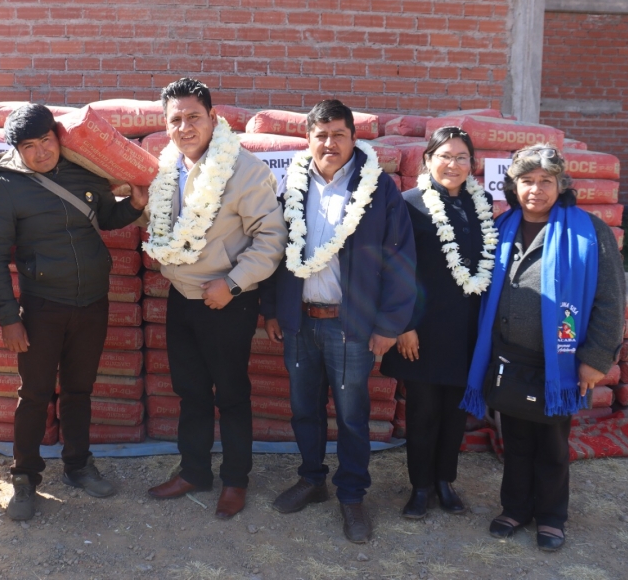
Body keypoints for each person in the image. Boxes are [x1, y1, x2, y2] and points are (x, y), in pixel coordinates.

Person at [0, 104, 148, 521]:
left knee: (79, 391)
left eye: (45, 142)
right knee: (34, 396)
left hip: (92, 303)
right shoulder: (6, 189)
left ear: (58, 138)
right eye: (29, 147)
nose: (40, 153)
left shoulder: (85, 172)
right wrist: (9, 319)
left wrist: (131, 207)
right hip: (41, 309)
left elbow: (106, 218)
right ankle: (24, 477)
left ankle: (77, 465)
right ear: (18, 151)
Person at [261, 99, 416, 544]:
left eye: (338, 134)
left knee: (351, 416)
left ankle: (352, 496)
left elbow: (401, 257)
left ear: (353, 137)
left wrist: (389, 324)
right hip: (299, 322)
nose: (329, 143)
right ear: (308, 139)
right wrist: (272, 309)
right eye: (321, 135)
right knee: (304, 409)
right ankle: (312, 480)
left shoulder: (378, 189)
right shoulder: (291, 185)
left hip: (351, 327)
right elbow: (272, 251)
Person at [460, 144, 625, 552]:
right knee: (514, 437)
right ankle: (515, 508)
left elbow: (611, 299)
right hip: (509, 357)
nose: (536, 190)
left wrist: (595, 358)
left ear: (560, 185)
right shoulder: (501, 227)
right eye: (527, 181)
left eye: (545, 182)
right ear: (513, 186)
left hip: (560, 363)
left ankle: (551, 516)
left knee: (551, 443)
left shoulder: (589, 231)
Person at [144, 78, 287, 519]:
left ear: (213, 118)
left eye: (193, 117)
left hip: (228, 300)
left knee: (231, 393)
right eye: (175, 119)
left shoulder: (244, 169)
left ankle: (236, 480)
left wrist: (234, 283)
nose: (184, 127)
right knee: (190, 391)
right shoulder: (167, 168)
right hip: (181, 297)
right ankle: (194, 472)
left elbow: (271, 239)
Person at [380, 127, 498, 519]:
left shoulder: (481, 207)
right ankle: (420, 487)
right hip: (422, 330)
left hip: (466, 331)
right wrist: (404, 325)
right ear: (428, 160)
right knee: (424, 411)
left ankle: (446, 481)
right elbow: (395, 268)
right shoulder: (409, 204)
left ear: (472, 164)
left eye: (462, 157)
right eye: (445, 156)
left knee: (454, 412)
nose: (453, 164)